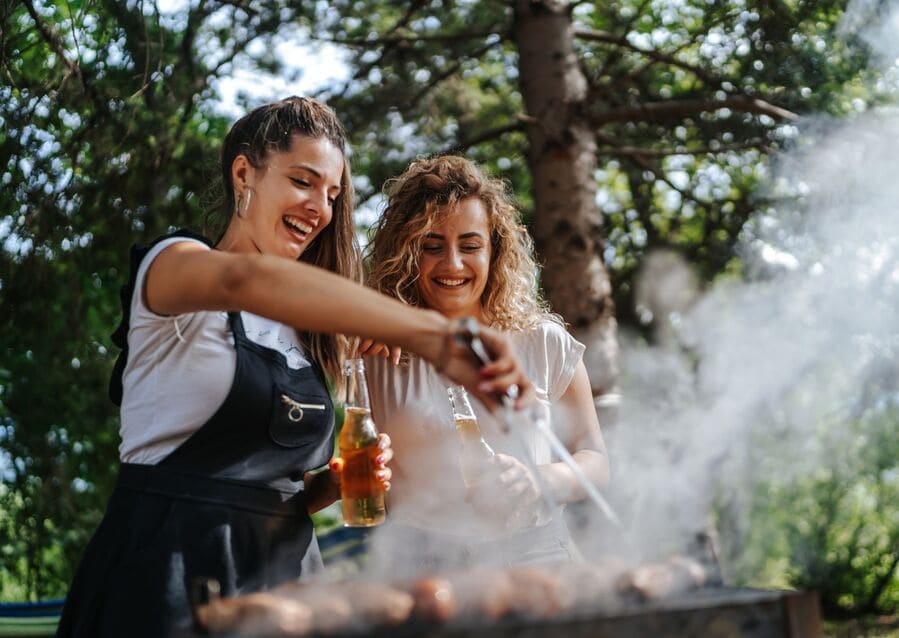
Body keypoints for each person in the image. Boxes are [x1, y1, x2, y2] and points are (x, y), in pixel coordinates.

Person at [56, 98, 532, 638]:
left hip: (285, 585)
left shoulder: (305, 338)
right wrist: (438, 336)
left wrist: (332, 484)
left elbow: (272, 494)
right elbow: (246, 281)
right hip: (169, 570)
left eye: (331, 194)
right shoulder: (174, 271)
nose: (320, 209)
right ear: (244, 173)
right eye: (303, 181)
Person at [362, 155, 610, 575]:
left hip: (539, 558)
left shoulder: (542, 341)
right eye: (431, 245)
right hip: (420, 566)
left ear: (495, 250)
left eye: (471, 246)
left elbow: (596, 459)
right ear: (406, 252)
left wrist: (540, 480)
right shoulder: (376, 348)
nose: (453, 265)